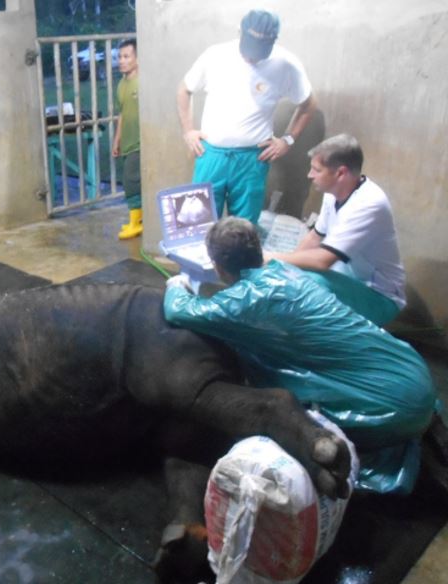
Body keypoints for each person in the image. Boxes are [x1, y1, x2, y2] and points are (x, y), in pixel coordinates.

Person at [163, 217, 436, 494]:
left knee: (284, 415)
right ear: (258, 250)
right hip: (417, 373)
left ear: (218, 267)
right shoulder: (290, 273)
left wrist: (177, 284)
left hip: (395, 407)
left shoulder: (246, 300)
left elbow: (179, 310)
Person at [176, 9, 316, 224]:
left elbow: (308, 104)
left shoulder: (286, 64)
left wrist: (288, 140)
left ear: (273, 41)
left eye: (261, 50)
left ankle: (238, 259)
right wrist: (188, 131)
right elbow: (184, 89)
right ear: (239, 32)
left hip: (252, 159)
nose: (253, 56)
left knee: (243, 228)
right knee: (196, 223)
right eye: (250, 48)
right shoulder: (215, 55)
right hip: (210, 153)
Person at [265, 134, 405, 326]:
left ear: (340, 173)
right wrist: (284, 269)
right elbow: (315, 237)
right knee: (288, 278)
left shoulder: (369, 203)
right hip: (346, 278)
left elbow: (323, 260)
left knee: (305, 287)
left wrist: (270, 257)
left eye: (316, 170)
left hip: (377, 295)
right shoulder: (333, 193)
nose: (309, 175)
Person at [112, 38, 142, 240]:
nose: (121, 61)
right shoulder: (121, 85)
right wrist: (117, 140)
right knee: (132, 179)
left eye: (126, 56)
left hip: (141, 142)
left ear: (137, 59)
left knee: (131, 180)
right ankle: (136, 219)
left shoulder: (143, 82)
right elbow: (121, 114)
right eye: (119, 57)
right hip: (128, 142)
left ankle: (136, 222)